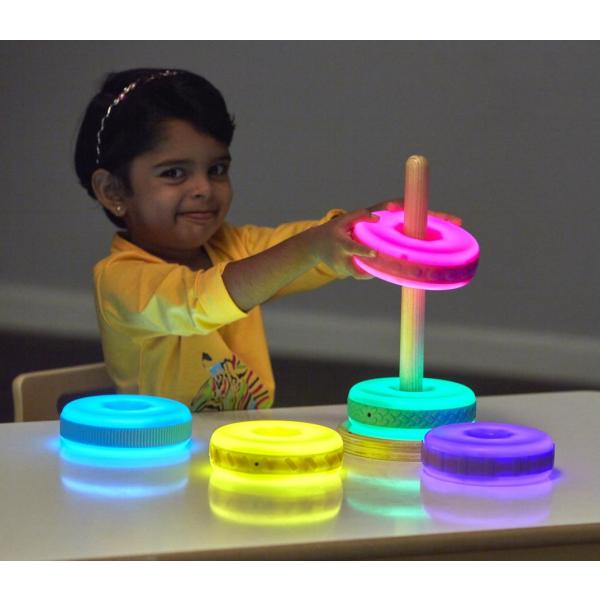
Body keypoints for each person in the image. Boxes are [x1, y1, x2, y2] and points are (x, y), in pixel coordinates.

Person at [74, 68, 454, 412]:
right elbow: (198, 299)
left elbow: (302, 254)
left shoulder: (231, 246)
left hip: (237, 446)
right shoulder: (119, 280)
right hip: (158, 460)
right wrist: (311, 247)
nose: (204, 188)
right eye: (174, 173)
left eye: (217, 169)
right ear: (113, 192)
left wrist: (370, 228)